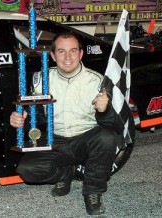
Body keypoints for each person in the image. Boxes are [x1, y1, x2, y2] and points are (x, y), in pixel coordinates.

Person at [10, 31, 125, 215]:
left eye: (73, 51)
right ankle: (65, 173)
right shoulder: (41, 80)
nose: (68, 57)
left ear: (81, 54)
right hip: (55, 141)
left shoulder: (97, 82)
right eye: (62, 52)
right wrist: (20, 117)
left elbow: (118, 127)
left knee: (107, 137)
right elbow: (36, 116)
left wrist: (105, 110)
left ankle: (93, 192)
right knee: (27, 170)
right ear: (53, 56)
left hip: (86, 139)